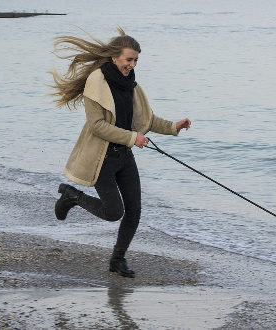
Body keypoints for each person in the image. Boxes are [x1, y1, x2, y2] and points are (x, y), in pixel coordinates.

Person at [49, 27, 191, 278]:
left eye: (136, 60)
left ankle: (118, 259)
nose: (132, 64)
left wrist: (172, 126)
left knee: (134, 210)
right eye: (129, 59)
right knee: (114, 212)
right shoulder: (96, 83)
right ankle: (72, 196)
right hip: (101, 158)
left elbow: (144, 120)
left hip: (124, 157)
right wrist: (131, 137)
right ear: (115, 57)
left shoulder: (131, 85)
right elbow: (97, 126)